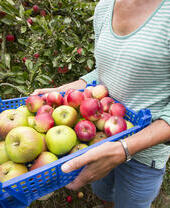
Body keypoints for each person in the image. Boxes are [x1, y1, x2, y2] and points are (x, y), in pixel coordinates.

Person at [32, 0, 170, 207]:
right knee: (104, 193)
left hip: (144, 151)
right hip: (98, 137)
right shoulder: (105, 7)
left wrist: (124, 149)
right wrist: (63, 92)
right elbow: (104, 71)